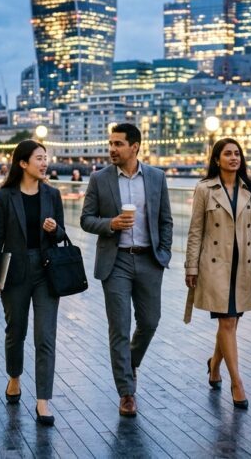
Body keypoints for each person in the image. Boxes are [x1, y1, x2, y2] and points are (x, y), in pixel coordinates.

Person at [80, 123, 173, 417]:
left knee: (150, 321)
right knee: (119, 327)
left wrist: (164, 252)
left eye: (118, 144)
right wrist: (111, 224)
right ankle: (126, 392)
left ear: (135, 147)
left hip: (149, 260)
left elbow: (166, 220)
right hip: (116, 260)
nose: (112, 149)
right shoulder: (99, 179)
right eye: (110, 143)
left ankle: (130, 362)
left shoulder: (157, 177)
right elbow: (86, 219)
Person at [0, 140, 67, 426]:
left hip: (46, 272)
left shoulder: (52, 194)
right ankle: (14, 377)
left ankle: (43, 401)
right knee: (15, 331)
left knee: (45, 337)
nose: (45, 163)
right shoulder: (4, 196)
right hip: (15, 272)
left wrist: (55, 229)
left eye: (45, 158)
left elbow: (62, 235)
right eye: (39, 158)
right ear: (23, 163)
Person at [184, 138, 251, 409]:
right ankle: (237, 383)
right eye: (228, 154)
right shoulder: (205, 189)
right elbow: (195, 231)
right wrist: (191, 267)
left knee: (230, 323)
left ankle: (214, 366)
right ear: (217, 159)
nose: (234, 158)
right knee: (228, 322)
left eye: (237, 154)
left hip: (243, 265)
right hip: (215, 265)